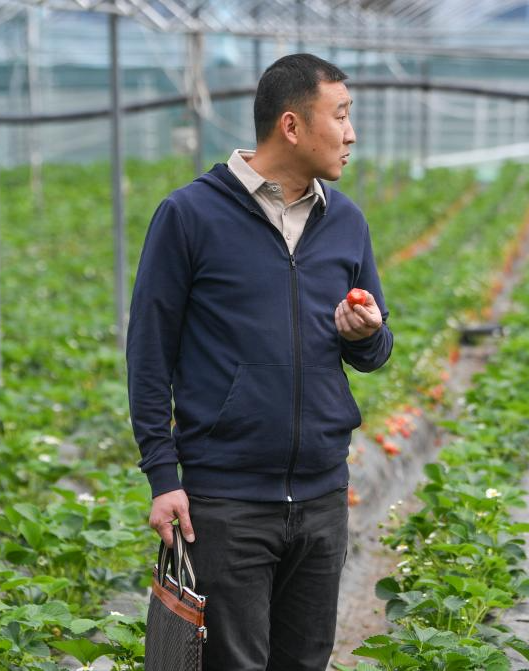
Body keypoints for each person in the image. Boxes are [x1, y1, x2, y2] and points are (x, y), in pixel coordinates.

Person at [127, 53, 393, 670]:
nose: (351, 133)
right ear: (292, 126)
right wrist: (163, 475)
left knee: (306, 662)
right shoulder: (190, 216)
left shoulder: (345, 220)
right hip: (227, 502)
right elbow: (149, 355)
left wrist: (364, 335)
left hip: (323, 495)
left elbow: (376, 351)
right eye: (341, 115)